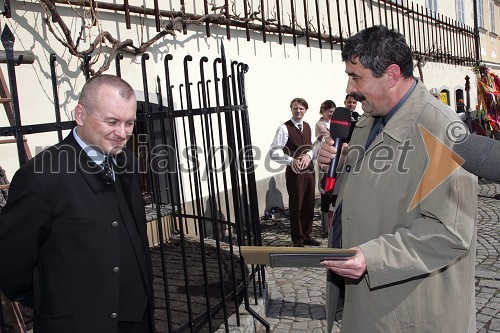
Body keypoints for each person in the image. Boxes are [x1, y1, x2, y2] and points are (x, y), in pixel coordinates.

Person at [318, 25, 477, 332]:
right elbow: (361, 196)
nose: (349, 87)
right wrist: (333, 167)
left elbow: (450, 232)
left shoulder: (441, 130)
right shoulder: (367, 122)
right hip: (365, 306)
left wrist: (372, 258)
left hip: (407, 314)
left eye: (356, 76)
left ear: (390, 75)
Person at [0, 75, 155, 333]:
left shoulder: (127, 162)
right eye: (112, 121)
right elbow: (10, 266)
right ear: (80, 115)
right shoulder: (41, 176)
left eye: (129, 123)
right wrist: (55, 303)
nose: (122, 133)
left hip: (138, 320)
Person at [269, 97, 321, 247]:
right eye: (295, 108)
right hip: (295, 172)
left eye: (301, 108)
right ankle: (297, 238)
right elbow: (274, 151)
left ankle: (307, 234)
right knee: (296, 204)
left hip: (309, 171)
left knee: (309, 203)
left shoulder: (308, 126)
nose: (298, 111)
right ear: (291, 109)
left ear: (305, 110)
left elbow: (313, 146)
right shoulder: (284, 128)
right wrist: (291, 160)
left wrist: (309, 155)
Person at [314, 100, 336, 238]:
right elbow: (328, 137)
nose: (331, 115)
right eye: (330, 112)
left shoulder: (331, 124)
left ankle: (332, 223)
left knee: (333, 192)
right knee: (325, 193)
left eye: (333, 112)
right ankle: (325, 227)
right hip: (324, 162)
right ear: (324, 110)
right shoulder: (320, 124)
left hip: (333, 161)